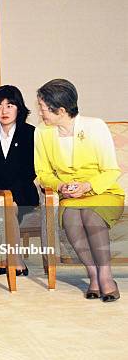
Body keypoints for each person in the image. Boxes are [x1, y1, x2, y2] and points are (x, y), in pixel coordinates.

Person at [35, 78, 125, 302]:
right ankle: (93, 274)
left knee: (91, 216)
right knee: (72, 220)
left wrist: (87, 186)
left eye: (43, 108)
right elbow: (43, 173)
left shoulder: (95, 126)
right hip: (70, 195)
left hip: (103, 191)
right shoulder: (42, 133)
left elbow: (111, 170)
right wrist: (60, 186)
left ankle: (106, 276)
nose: (40, 113)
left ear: (61, 110)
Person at [0, 85, 38, 276]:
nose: (4, 111)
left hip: (23, 191)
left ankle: (14, 260)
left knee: (9, 206)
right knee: (5, 206)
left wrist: (11, 195)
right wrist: (1, 195)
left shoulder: (31, 133)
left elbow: (30, 171)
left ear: (19, 108)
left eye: (10, 105)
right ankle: (10, 260)